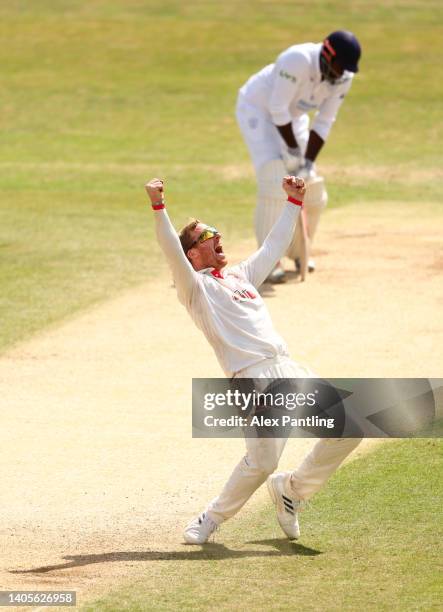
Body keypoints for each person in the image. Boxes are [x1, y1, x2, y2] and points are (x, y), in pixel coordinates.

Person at [145, 175, 361, 544]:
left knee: (348, 427)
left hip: (287, 366)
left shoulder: (241, 276)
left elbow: (274, 246)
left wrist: (293, 201)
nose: (216, 236)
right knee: (261, 462)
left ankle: (292, 490)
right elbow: (170, 250)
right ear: (193, 254)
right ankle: (211, 517)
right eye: (206, 234)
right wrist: (158, 205)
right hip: (251, 379)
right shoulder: (195, 289)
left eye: (215, 231)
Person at [236, 30, 362, 283]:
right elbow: (276, 108)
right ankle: (267, 262)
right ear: (328, 54)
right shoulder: (297, 59)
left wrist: (307, 162)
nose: (341, 73)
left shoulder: (343, 76)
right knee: (275, 180)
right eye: (339, 66)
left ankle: (297, 251)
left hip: (292, 118)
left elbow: (325, 121)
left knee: (312, 188)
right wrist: (293, 152)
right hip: (258, 110)